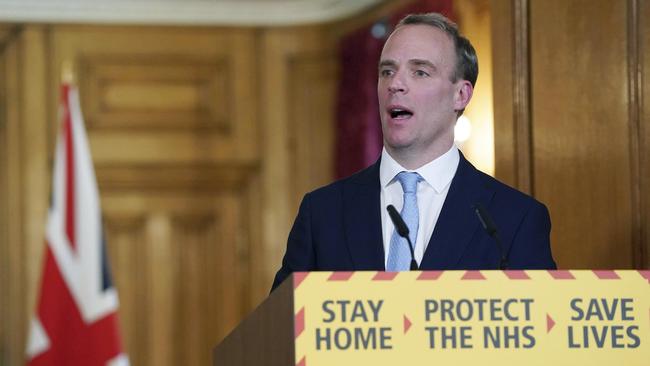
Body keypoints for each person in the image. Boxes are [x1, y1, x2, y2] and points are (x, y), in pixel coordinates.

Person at [271, 12, 556, 291]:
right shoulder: (323, 213)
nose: (395, 84)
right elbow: (279, 332)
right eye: (387, 71)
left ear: (461, 95)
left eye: (420, 72)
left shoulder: (512, 219)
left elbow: (539, 330)